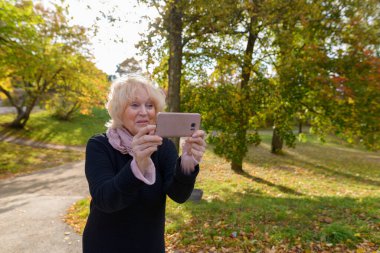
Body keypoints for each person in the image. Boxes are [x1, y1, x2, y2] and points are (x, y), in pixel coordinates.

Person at [82, 74, 206, 253]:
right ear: (119, 110)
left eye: (150, 105)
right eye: (134, 105)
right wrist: (137, 166)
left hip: (149, 245)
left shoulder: (163, 146)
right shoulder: (100, 145)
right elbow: (105, 199)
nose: (144, 112)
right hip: (104, 244)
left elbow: (179, 195)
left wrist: (187, 163)